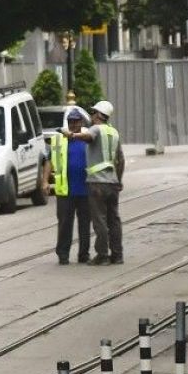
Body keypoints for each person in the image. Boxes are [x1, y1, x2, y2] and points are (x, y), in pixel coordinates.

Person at [70, 100, 125, 265]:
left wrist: (73, 135)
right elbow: (120, 160)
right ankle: (117, 255)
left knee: (99, 220)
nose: (92, 116)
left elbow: (88, 136)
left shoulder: (96, 129)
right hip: (112, 183)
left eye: (94, 113)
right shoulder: (114, 133)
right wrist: (119, 180)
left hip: (96, 184)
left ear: (99, 115)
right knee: (114, 219)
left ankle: (102, 255)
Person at [49, 107, 93, 265]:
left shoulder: (88, 137)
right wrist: (44, 182)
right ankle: (63, 254)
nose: (73, 124)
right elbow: (49, 160)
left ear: (81, 122)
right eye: (70, 122)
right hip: (65, 190)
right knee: (64, 224)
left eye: (76, 121)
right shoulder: (60, 139)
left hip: (86, 189)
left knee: (84, 225)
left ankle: (84, 254)